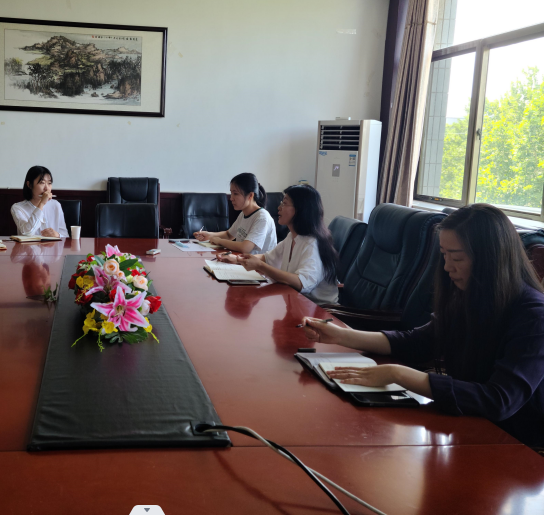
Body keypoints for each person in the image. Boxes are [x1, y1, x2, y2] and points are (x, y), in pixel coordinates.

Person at [301, 204, 544, 447]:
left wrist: (397, 374)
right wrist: (342, 335)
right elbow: (420, 341)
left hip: (516, 444)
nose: (447, 267)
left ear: (491, 259)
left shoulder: (534, 315)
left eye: (457, 257)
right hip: (468, 424)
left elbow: (499, 400)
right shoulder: (471, 295)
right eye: (444, 255)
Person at [216, 184, 339, 304]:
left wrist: (260, 266)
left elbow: (301, 283)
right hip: (297, 302)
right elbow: (267, 257)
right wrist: (237, 259)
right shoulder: (292, 236)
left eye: (284, 203)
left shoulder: (312, 243)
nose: (279, 208)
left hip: (320, 309)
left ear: (300, 210)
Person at [193, 173, 276, 254]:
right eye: (231, 193)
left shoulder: (262, 217)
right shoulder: (243, 214)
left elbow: (245, 248)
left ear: (250, 195)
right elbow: (229, 235)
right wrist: (209, 235)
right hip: (242, 260)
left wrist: (219, 241)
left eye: (235, 193)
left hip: (258, 263)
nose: (231, 198)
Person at [11, 166, 68, 238]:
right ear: (29, 185)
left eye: (49, 183)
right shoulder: (17, 208)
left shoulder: (56, 205)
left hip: (52, 245)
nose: (47, 188)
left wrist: (57, 235)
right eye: (42, 182)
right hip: (28, 245)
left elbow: (65, 235)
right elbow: (27, 233)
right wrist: (42, 204)